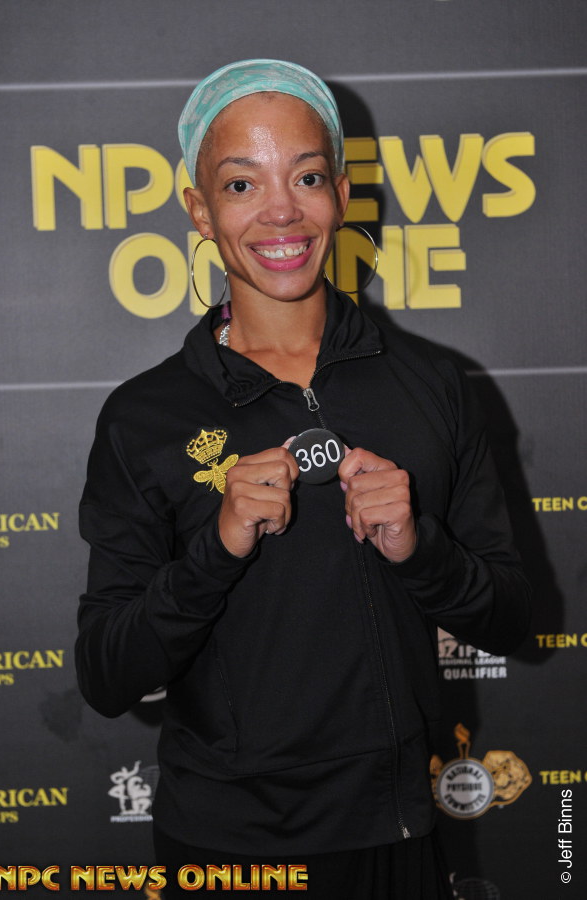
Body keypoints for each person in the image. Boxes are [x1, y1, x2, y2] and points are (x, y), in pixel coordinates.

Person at [76, 59, 531, 898]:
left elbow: (510, 618)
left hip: (399, 830)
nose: (281, 209)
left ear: (342, 194)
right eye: (240, 183)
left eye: (307, 176)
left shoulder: (430, 383)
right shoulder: (143, 418)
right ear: (199, 211)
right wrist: (216, 551)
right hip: (230, 847)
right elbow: (106, 676)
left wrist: (418, 547)